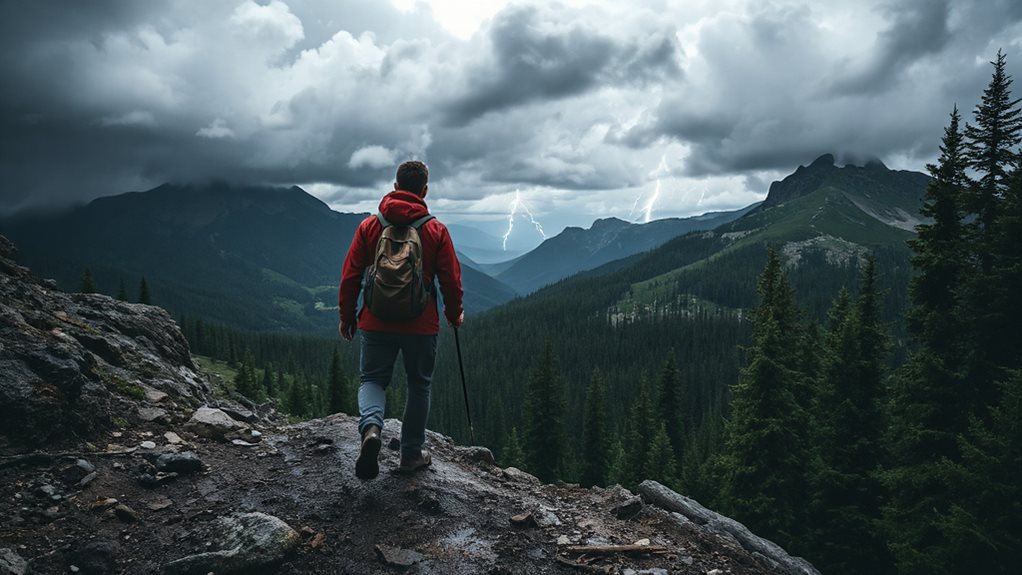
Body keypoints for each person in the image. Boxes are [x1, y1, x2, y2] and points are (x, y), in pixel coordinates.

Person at [338, 160, 464, 481]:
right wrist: (454, 314)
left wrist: (347, 317)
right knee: (419, 385)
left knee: (372, 380)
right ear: (424, 190)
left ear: (395, 188)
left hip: (375, 320)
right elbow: (450, 280)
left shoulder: (370, 226)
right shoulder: (435, 229)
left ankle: (371, 429)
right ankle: (410, 455)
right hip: (421, 325)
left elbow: (351, 275)